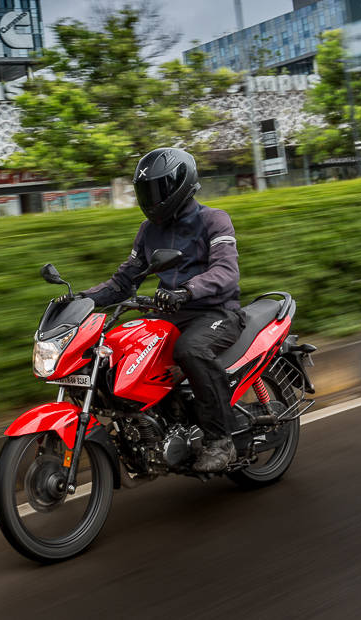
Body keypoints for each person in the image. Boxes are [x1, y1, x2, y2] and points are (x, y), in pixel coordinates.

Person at [61, 147, 244, 473]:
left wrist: (187, 290)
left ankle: (221, 441)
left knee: (191, 350)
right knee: (116, 351)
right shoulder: (149, 231)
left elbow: (226, 273)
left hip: (214, 312)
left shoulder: (213, 220)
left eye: (158, 189)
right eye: (146, 190)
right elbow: (123, 282)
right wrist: (81, 300)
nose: (151, 198)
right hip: (169, 314)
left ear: (181, 185)